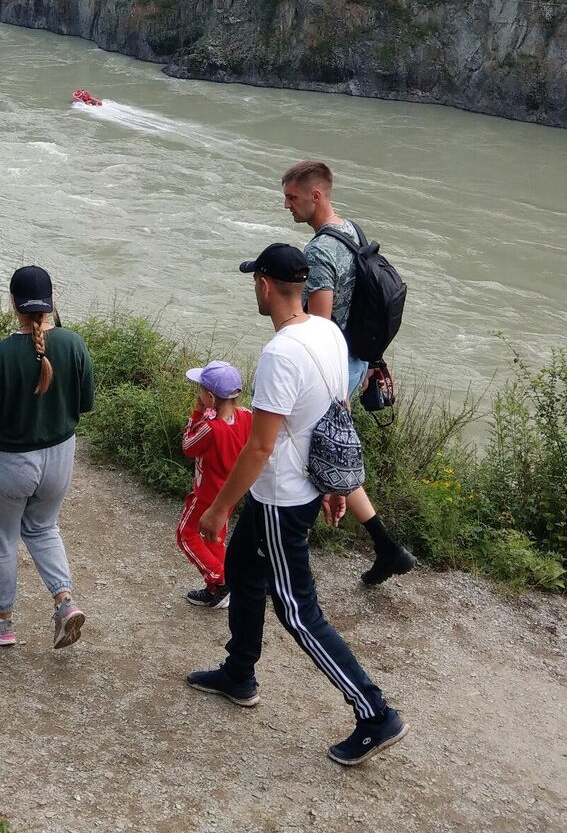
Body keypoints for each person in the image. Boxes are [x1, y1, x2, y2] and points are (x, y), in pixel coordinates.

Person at [187, 243, 408, 767]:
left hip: (282, 498)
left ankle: (374, 712)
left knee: (297, 610)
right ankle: (238, 673)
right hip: (292, 489)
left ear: (264, 285)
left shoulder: (279, 354)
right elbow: (335, 411)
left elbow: (260, 446)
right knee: (243, 570)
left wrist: (218, 509)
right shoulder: (328, 331)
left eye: (253, 282)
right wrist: (334, 484)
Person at [281, 159, 417, 586]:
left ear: (315, 196)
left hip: (332, 365)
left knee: (302, 447)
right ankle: (387, 547)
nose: (286, 205)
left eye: (292, 197)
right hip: (358, 359)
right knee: (329, 452)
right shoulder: (352, 230)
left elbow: (318, 325)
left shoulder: (319, 251)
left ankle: (285, 545)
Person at [0, 266, 93, 651]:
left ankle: (3, 622)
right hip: (60, 457)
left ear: (13, 304)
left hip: (13, 462)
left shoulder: (3, 352)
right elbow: (85, 404)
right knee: (43, 527)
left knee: (3, 538)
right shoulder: (74, 344)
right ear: (53, 302)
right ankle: (65, 602)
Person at [177, 360, 251, 609]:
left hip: (206, 494)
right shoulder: (246, 418)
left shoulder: (210, 428)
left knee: (185, 535)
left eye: (200, 391)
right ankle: (218, 588)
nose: (198, 395)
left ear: (210, 397)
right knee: (214, 538)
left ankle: (220, 580)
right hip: (229, 493)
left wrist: (196, 413)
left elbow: (188, 446)